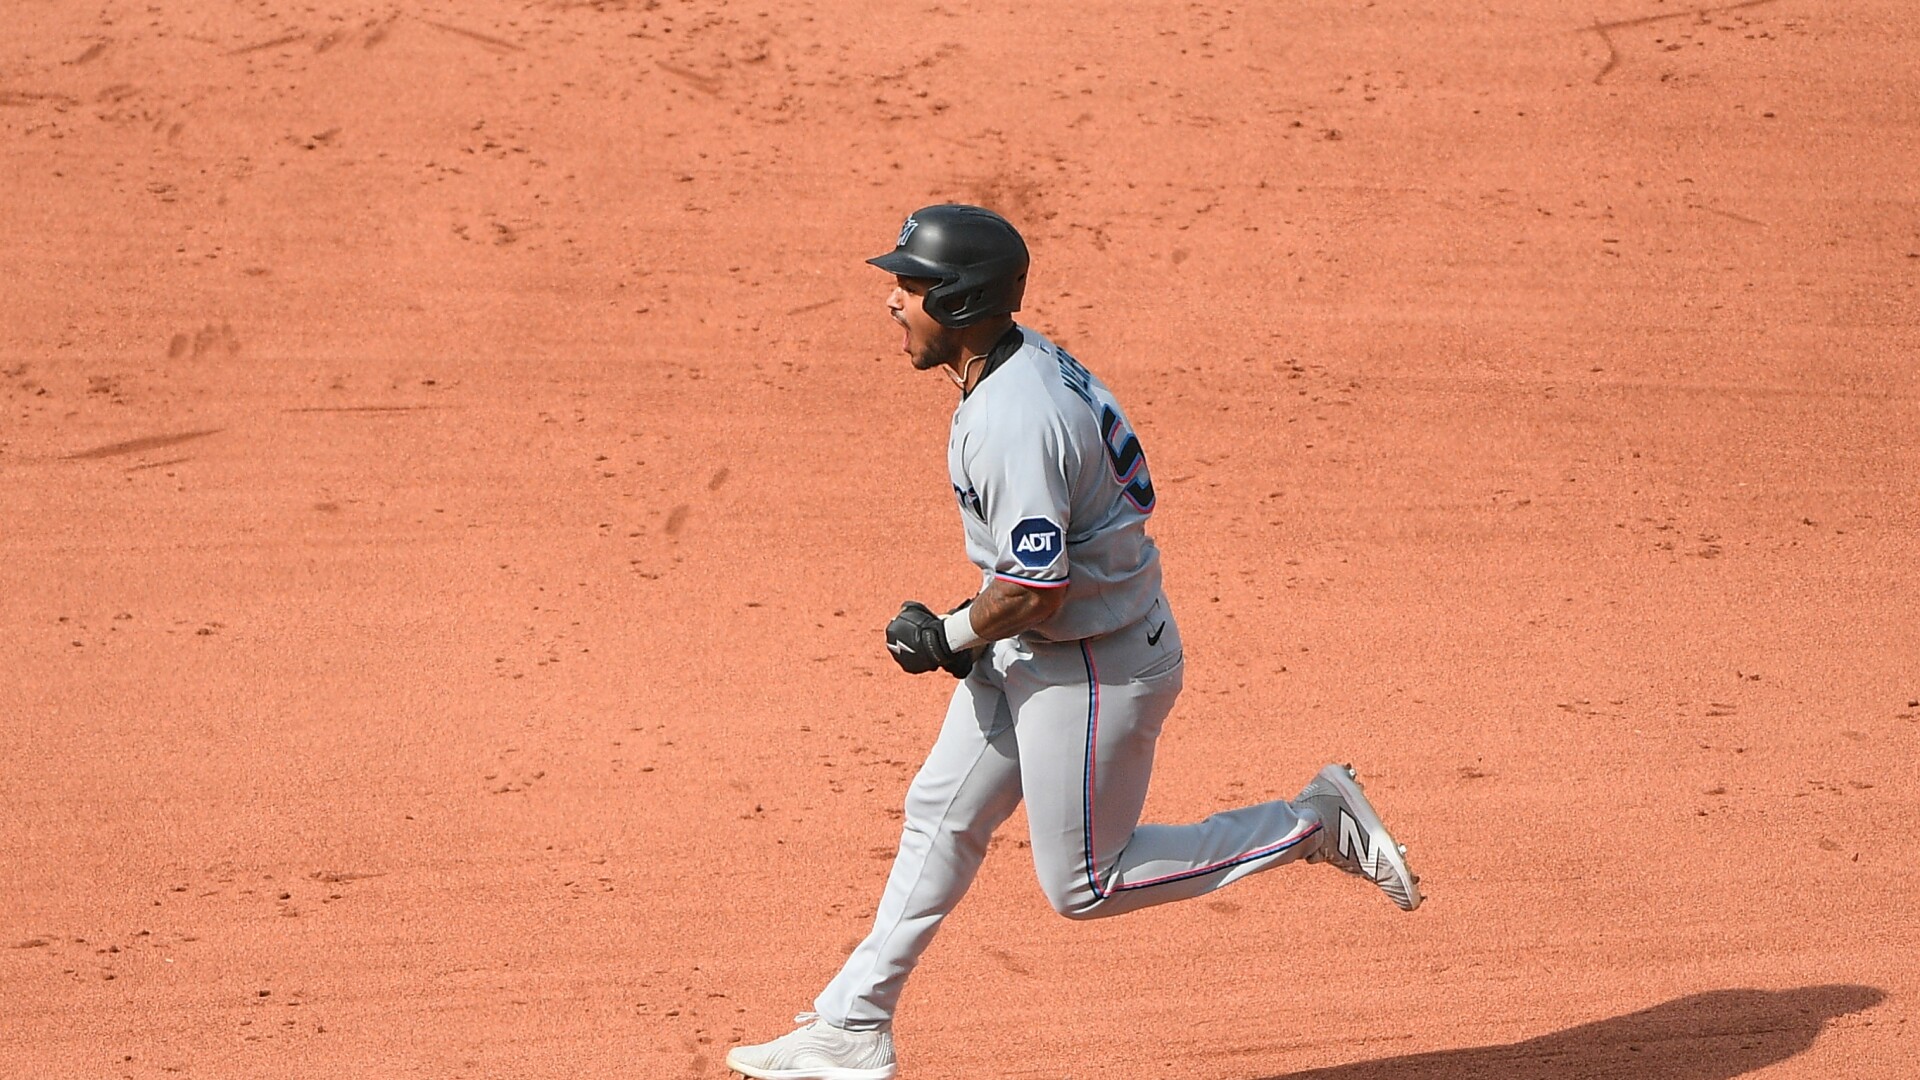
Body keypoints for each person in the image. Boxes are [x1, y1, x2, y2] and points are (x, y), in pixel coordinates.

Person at [726, 205, 1420, 1080]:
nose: (893, 303)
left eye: (910, 287)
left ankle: (1313, 821)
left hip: (1095, 664)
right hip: (1038, 643)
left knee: (1087, 885)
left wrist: (946, 634)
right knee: (940, 820)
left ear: (963, 297)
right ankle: (852, 1024)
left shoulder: (1013, 418)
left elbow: (1032, 587)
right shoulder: (1015, 363)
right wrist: (977, 631)